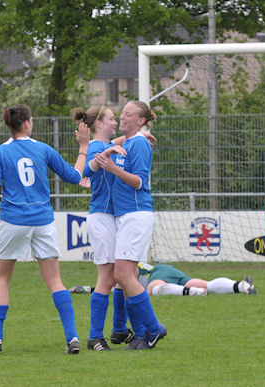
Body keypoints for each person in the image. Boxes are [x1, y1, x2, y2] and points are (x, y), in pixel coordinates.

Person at [0, 104, 90, 354]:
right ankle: (72, 339)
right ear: (26, 123)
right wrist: (83, 147)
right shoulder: (43, 149)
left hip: (13, 220)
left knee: (2, 279)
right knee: (56, 281)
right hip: (42, 221)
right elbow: (74, 175)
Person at [72, 105, 156, 351]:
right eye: (110, 118)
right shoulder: (98, 148)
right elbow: (86, 170)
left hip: (115, 216)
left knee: (121, 277)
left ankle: (120, 330)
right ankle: (96, 336)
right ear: (99, 123)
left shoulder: (113, 145)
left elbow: (119, 144)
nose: (115, 119)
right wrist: (94, 149)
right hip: (103, 215)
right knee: (109, 277)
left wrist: (137, 137)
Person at [94, 100, 166, 350]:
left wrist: (112, 169)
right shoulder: (133, 141)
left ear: (142, 120)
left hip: (136, 214)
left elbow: (138, 182)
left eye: (128, 114)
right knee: (126, 275)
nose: (122, 117)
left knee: (123, 274)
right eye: (122, 113)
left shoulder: (140, 144)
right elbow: (110, 145)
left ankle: (153, 329)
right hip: (127, 216)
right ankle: (141, 333)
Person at [138, 262, 257, 296]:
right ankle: (240, 286)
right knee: (207, 285)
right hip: (167, 269)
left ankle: (195, 292)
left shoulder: (120, 264)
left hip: (156, 272)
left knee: (152, 289)